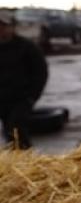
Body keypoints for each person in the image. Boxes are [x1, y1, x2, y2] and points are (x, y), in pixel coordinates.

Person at [0, 10, 48, 149]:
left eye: (4, 25)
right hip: (2, 100)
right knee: (8, 132)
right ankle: (15, 159)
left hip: (21, 99)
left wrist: (32, 97)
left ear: (12, 27)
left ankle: (27, 157)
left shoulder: (27, 47)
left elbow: (41, 72)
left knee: (16, 130)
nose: (1, 29)